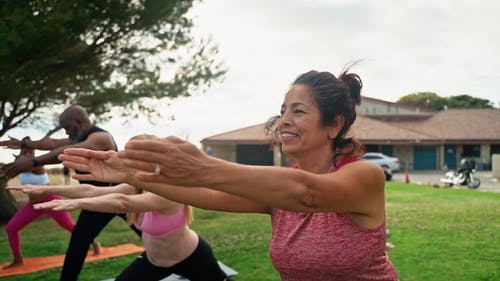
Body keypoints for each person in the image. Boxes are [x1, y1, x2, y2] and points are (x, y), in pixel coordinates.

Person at [58, 68, 399, 280]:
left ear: (334, 125)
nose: (284, 121)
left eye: (298, 111)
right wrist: (134, 175)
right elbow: (208, 195)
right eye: (282, 112)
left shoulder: (363, 177)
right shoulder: (276, 190)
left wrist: (202, 166)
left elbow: (307, 193)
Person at [0, 105, 141, 280]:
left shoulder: (100, 137)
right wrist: (24, 144)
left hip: (118, 196)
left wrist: (32, 161)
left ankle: (182, 260)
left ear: (79, 122)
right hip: (100, 198)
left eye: (68, 128)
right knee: (79, 243)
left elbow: (65, 151)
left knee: (151, 232)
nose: (67, 134)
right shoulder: (79, 136)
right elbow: (53, 144)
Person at [7, 181, 232, 281]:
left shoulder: (170, 193)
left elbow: (122, 203)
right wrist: (47, 189)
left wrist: (76, 205)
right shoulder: (134, 186)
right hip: (154, 261)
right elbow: (92, 189)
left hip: (192, 257)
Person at [2, 138, 101, 269]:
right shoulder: (21, 164)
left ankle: (94, 244)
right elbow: (13, 168)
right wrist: (7, 166)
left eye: (28, 152)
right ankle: (17, 259)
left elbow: (23, 167)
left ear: (32, 152)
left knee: (71, 227)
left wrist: (11, 164)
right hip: (33, 206)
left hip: (51, 202)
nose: (25, 154)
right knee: (11, 228)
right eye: (23, 151)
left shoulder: (36, 165)